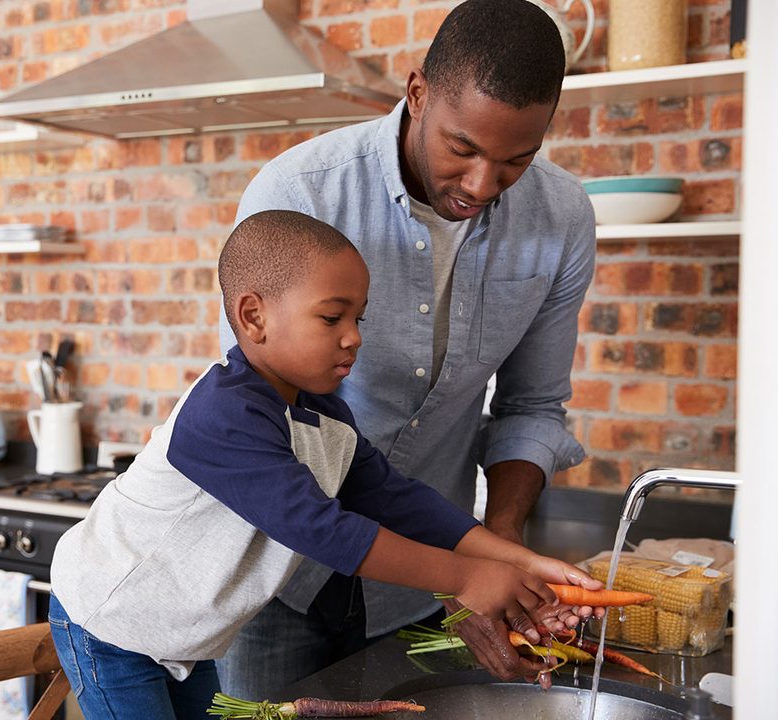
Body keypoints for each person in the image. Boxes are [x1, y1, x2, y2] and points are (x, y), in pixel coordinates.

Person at [49, 210, 600, 720]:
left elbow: (395, 499)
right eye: (332, 317)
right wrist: (469, 576)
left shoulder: (322, 415)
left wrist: (523, 562)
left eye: (358, 317)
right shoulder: (224, 413)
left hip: (180, 634)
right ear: (254, 317)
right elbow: (323, 531)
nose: (354, 337)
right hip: (112, 622)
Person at [215, 0, 598, 700]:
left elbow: (533, 406)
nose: (482, 186)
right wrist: (465, 573)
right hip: (277, 582)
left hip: (421, 599)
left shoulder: (562, 218)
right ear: (417, 92)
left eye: (516, 159)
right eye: (463, 148)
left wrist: (499, 556)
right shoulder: (299, 193)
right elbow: (268, 424)